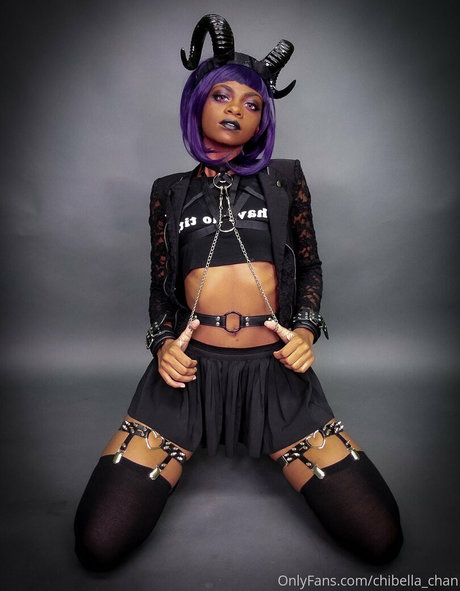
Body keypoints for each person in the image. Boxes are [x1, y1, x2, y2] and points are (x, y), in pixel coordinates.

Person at [74, 14, 403, 571]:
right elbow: (160, 287)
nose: (236, 110)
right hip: (188, 375)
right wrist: (162, 345)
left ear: (262, 120)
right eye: (222, 96)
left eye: (253, 104)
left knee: (379, 536)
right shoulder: (169, 193)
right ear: (196, 102)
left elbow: (310, 264)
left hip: (275, 372)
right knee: (99, 542)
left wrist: (304, 331)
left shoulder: (284, 180)